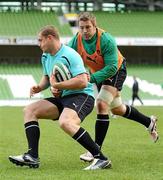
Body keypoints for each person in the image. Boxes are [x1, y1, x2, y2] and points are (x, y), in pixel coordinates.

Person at [8, 25, 111, 170]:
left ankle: (101, 158)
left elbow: (82, 81)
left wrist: (58, 85)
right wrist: (39, 87)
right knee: (29, 111)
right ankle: (32, 157)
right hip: (62, 97)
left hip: (82, 96)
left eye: (40, 40)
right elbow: (47, 78)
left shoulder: (70, 54)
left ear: (50, 38)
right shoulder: (45, 56)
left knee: (65, 122)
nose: (39, 44)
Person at [68, 12, 159, 162]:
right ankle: (149, 122)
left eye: (88, 27)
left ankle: (95, 150)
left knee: (102, 104)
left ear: (95, 26)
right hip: (97, 73)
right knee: (117, 109)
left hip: (115, 70)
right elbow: (68, 57)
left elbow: (111, 67)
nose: (84, 31)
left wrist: (90, 78)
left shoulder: (106, 40)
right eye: (81, 27)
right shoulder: (76, 39)